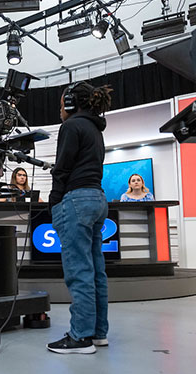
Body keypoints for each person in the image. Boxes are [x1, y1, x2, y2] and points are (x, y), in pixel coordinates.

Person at [47, 82, 112, 354]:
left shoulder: (71, 126)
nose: (60, 108)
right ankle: (98, 333)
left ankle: (81, 337)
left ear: (72, 104)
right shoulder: (95, 129)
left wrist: (54, 201)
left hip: (76, 200)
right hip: (97, 199)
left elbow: (62, 168)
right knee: (96, 271)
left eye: (62, 103)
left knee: (79, 272)